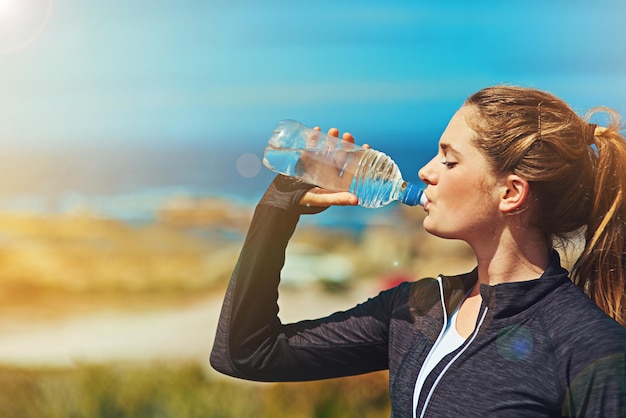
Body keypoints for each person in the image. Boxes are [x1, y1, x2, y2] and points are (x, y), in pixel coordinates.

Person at [211, 86, 625, 417]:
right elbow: (245, 354)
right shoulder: (417, 310)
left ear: (511, 192)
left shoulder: (589, 348)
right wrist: (281, 203)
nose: (425, 171)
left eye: (449, 160)